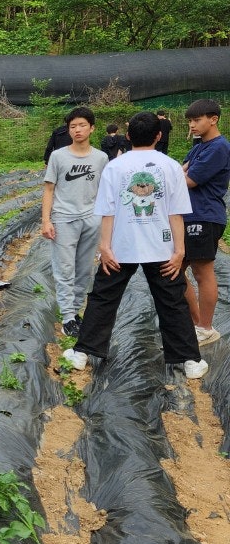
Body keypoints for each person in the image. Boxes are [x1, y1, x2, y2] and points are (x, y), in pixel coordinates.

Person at [63, 111, 206, 379]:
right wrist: (180, 251)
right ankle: (190, 360)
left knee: (103, 298)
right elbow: (176, 213)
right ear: (159, 135)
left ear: (128, 136)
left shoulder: (115, 166)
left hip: (120, 248)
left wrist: (104, 247)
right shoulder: (171, 166)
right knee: (172, 301)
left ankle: (82, 353)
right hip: (161, 248)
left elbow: (108, 211)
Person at [41, 106, 108, 337]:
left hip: (91, 219)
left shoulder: (101, 158)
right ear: (68, 130)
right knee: (65, 269)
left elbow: (103, 192)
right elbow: (49, 189)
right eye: (72, 126)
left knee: (83, 270)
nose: (77, 130)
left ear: (92, 128)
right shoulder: (58, 156)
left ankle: (76, 311)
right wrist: (46, 221)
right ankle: (68, 316)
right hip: (63, 219)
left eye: (82, 125)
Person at [181, 98, 230, 346]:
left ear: (214, 119)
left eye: (197, 119)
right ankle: (198, 323)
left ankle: (205, 327)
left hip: (205, 215)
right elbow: (183, 169)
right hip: (190, 214)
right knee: (175, 271)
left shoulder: (219, 147)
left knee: (202, 272)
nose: (193, 124)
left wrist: (182, 173)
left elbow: (189, 179)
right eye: (190, 120)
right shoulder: (200, 146)